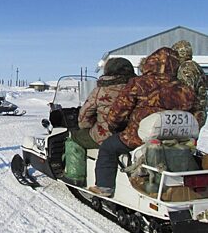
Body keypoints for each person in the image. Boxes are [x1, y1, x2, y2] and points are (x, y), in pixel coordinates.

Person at [89, 47, 196, 197]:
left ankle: (105, 187)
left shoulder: (138, 83)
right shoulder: (184, 89)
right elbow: (194, 112)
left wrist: (115, 126)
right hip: (177, 137)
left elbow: (118, 112)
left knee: (108, 147)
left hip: (138, 136)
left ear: (150, 63)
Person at [62, 57, 136, 186]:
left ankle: (75, 176)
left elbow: (85, 114)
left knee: (74, 138)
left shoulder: (101, 90)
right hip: (133, 135)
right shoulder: (138, 88)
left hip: (105, 135)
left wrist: (86, 127)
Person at [172, 40, 207, 127]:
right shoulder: (196, 66)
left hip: (190, 114)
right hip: (199, 112)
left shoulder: (185, 68)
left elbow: (186, 93)